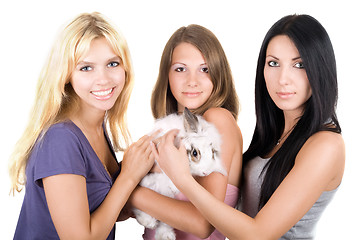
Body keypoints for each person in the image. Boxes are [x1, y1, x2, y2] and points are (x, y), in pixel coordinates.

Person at [153, 14, 345, 239]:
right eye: (273, 63)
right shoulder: (273, 135)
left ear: (320, 69)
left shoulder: (326, 144)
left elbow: (258, 234)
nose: (283, 78)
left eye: (299, 64)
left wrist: (181, 178)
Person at [8, 12, 156, 240]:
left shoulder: (96, 126)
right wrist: (128, 176)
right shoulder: (61, 140)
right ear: (66, 74)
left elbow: (98, 207)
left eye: (112, 63)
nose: (104, 79)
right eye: (86, 68)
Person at [129, 24, 243, 239]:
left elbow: (202, 223)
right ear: (167, 75)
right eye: (181, 69)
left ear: (219, 74)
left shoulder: (217, 119)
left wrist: (131, 192)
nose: (192, 81)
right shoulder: (170, 129)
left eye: (205, 69)